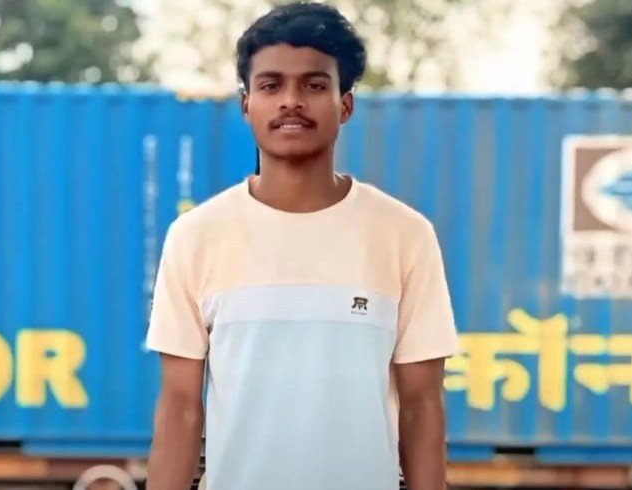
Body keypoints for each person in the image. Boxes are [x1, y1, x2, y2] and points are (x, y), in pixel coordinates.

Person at [145, 2, 459, 489]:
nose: (290, 101)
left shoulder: (404, 234)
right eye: (271, 86)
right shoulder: (196, 236)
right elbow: (181, 408)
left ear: (345, 104)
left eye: (313, 85)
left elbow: (421, 407)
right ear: (247, 104)